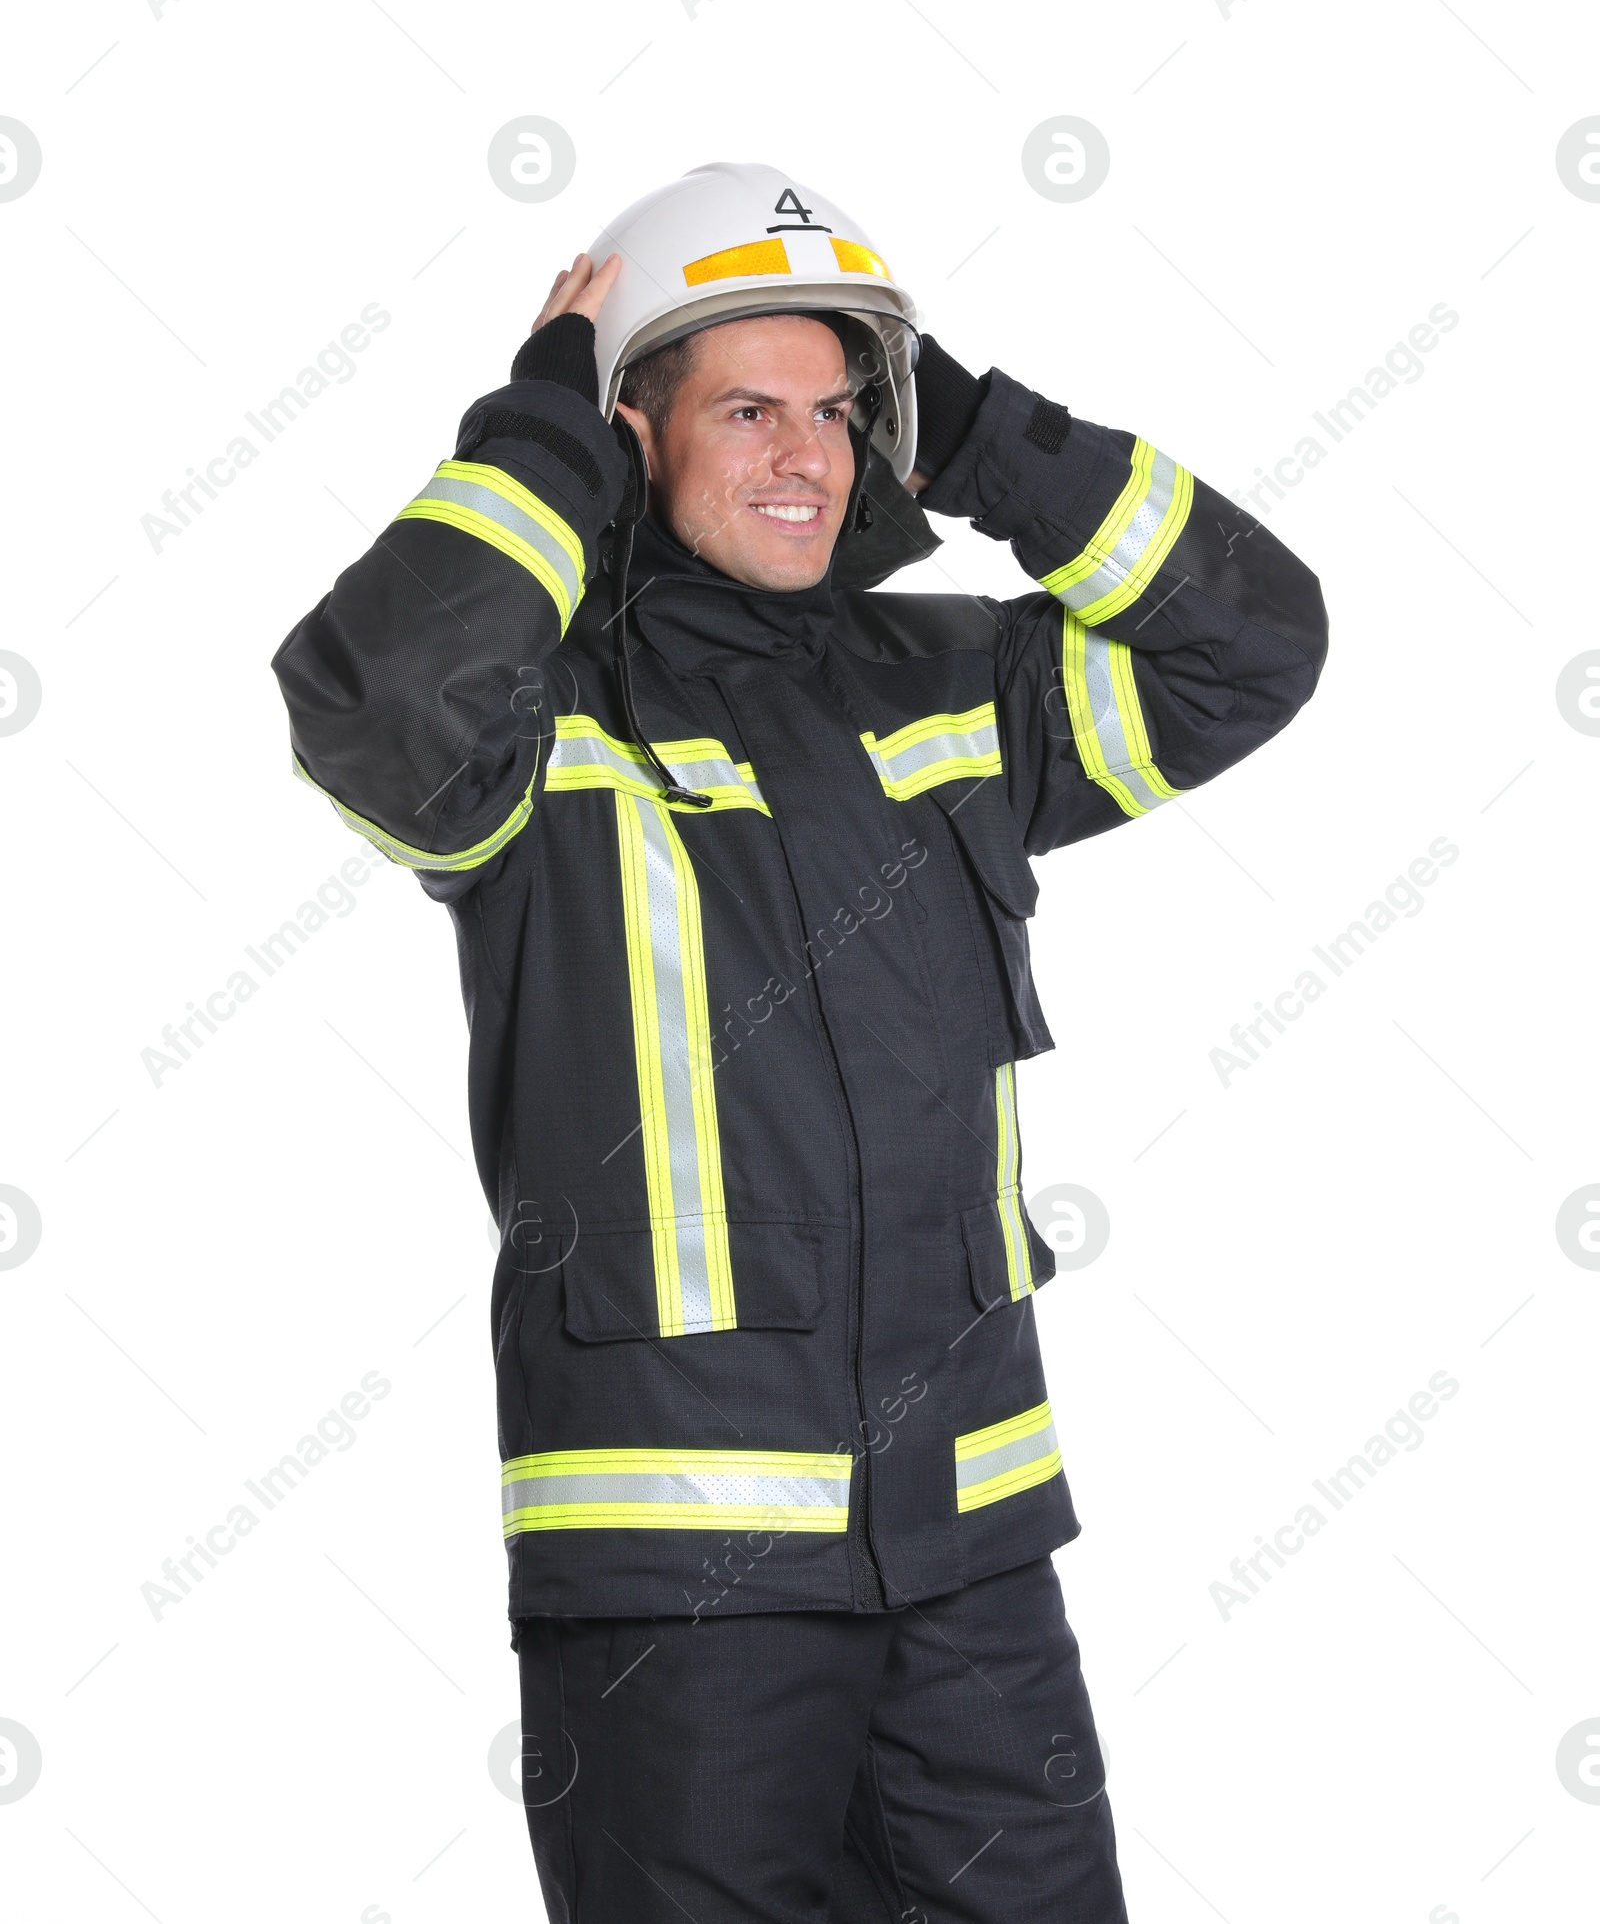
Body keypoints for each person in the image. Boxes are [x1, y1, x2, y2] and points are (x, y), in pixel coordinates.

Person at [272, 162, 1328, 1923]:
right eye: (746, 408)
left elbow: (1253, 641)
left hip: (975, 1570)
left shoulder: (957, 691)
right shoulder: (537, 742)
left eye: (841, 410)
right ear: (637, 440)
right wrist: (542, 426)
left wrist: (981, 438)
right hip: (678, 1607)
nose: (805, 457)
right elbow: (381, 701)